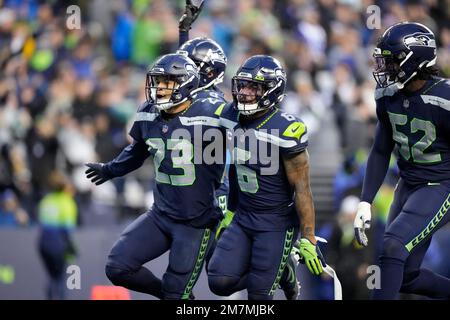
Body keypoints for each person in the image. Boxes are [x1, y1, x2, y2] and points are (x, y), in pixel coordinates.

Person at [85, 53, 226, 299]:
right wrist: (110, 169)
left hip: (196, 222)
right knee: (118, 267)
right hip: (160, 214)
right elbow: (137, 151)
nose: (159, 87)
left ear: (186, 84)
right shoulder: (148, 112)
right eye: (158, 81)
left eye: (167, 82)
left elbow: (248, 134)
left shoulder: (211, 112)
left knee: (207, 284)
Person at [207, 55, 326, 300]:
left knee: (259, 297)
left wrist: (309, 237)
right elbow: (236, 166)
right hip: (244, 216)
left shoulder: (286, 128)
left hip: (275, 222)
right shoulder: (231, 116)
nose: (245, 92)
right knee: (219, 281)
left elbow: (302, 189)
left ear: (272, 91)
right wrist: (230, 210)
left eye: (255, 87)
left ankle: (282, 271)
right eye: (243, 85)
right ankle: (282, 271)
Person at [354, 22, 450, 299]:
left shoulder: (443, 99)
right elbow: (381, 149)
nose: (385, 69)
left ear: (414, 61)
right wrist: (365, 199)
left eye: (392, 61)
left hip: (440, 183)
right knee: (405, 277)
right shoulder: (387, 95)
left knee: (393, 244)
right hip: (408, 184)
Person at [38, 171, 78, 300]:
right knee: (60, 278)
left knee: (51, 277)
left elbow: (42, 222)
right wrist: (71, 248)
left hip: (43, 243)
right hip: (58, 243)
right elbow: (67, 229)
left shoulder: (46, 200)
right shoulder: (67, 202)